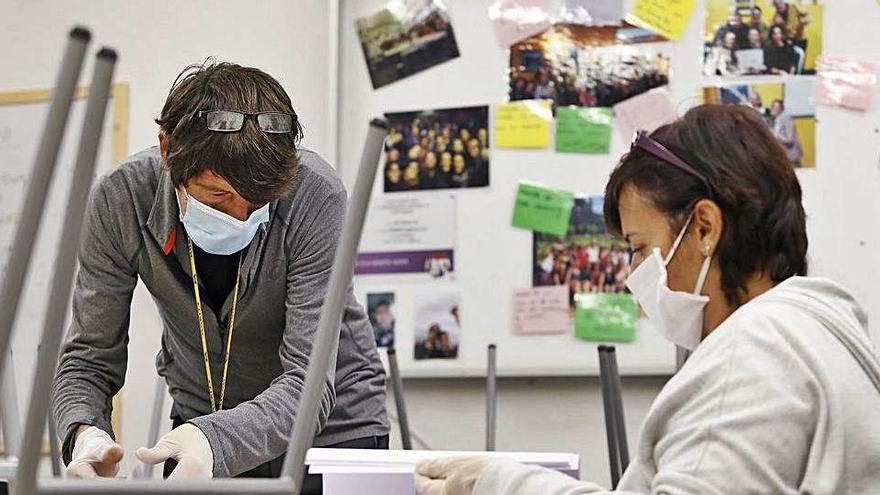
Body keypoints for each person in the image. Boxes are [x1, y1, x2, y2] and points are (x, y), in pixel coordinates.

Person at [414, 104, 880, 494]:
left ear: (704, 228)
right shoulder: (821, 331)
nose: (633, 274)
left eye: (639, 247)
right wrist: (498, 481)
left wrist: (503, 485)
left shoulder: (753, 354)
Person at [51, 62, 390, 493]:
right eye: (218, 195)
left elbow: (308, 382)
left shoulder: (315, 194)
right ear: (166, 149)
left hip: (334, 428)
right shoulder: (122, 200)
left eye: (259, 200)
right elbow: (88, 358)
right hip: (199, 420)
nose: (241, 215)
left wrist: (213, 439)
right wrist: (84, 433)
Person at [770, 99, 803, 167]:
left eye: (776, 107)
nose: (773, 109)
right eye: (773, 107)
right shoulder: (778, 118)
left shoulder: (786, 118)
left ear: (781, 108)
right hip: (785, 157)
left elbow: (790, 139)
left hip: (791, 156)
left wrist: (776, 135)